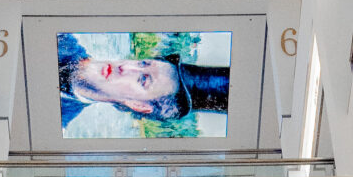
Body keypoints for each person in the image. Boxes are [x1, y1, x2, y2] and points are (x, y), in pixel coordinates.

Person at [56, 35, 231, 130]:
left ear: (138, 105)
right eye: (142, 63)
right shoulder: (59, 37)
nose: (126, 67)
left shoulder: (56, 123)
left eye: (142, 80)